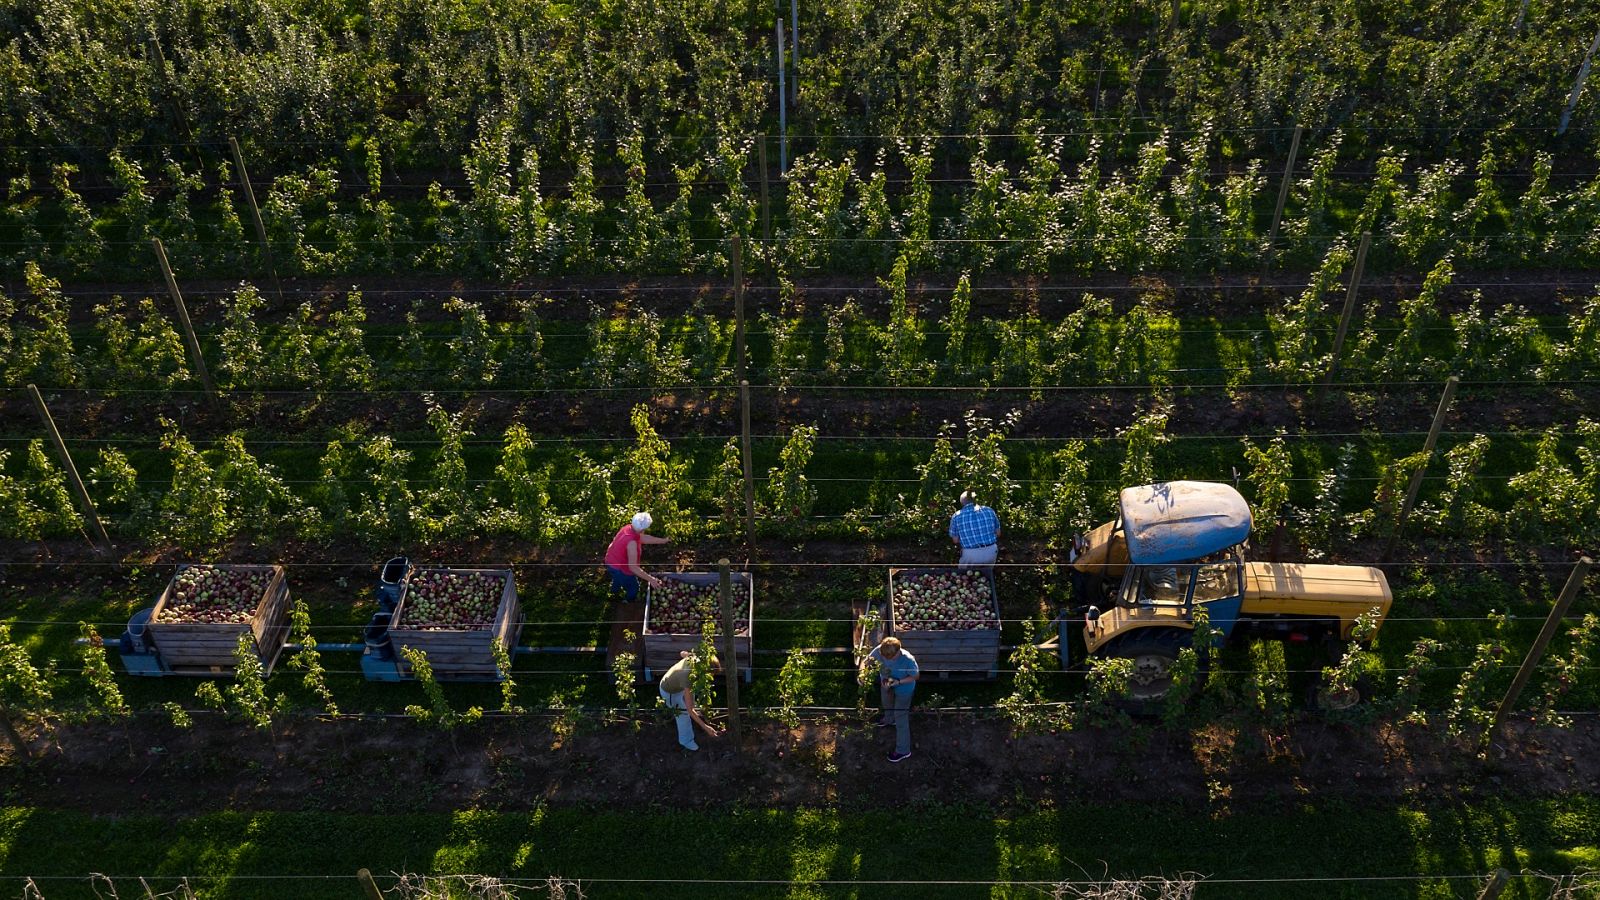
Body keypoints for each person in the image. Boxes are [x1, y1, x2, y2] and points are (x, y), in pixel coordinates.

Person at [859, 637, 918, 762]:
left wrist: (898, 682)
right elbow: (866, 661)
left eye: (891, 657)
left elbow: (915, 676)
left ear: (898, 651)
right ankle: (889, 719)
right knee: (886, 702)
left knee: (901, 716)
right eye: (884, 656)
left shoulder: (908, 659)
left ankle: (903, 750)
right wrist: (862, 673)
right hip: (886, 682)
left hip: (904, 688)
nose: (887, 659)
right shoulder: (881, 650)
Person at [659, 649, 722, 751]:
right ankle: (686, 741)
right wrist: (706, 728)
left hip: (679, 684)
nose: (712, 676)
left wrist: (687, 654)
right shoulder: (688, 676)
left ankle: (697, 719)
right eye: (711, 674)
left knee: (691, 705)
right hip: (670, 691)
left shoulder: (697, 660)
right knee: (683, 714)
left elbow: (682, 653)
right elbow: (689, 709)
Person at [604, 511, 669, 602]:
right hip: (619, 567)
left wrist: (663, 541)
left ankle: (613, 592)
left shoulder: (628, 528)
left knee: (617, 578)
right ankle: (627, 601)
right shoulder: (632, 543)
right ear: (642, 529)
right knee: (633, 587)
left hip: (610, 560)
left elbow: (644, 538)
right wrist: (651, 579)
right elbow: (633, 567)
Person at [948, 490, 1001, 572]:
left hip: (970, 554)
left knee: (965, 577)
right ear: (975, 500)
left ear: (962, 503)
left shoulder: (956, 516)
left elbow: (955, 540)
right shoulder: (989, 510)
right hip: (991, 551)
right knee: (986, 576)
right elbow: (998, 533)